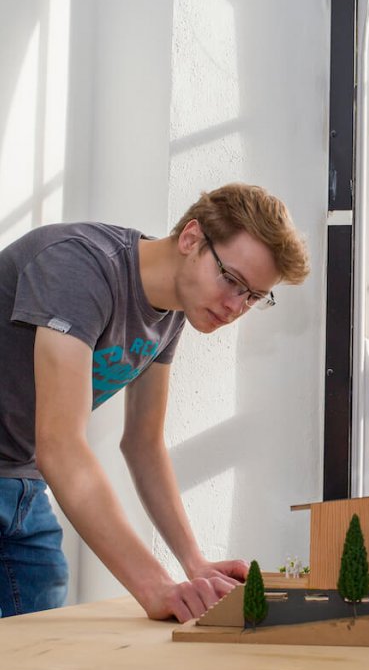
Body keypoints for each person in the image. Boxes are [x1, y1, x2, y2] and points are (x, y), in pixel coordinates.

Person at [0, 183, 310, 621]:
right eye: (232, 280)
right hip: (28, 472)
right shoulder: (79, 267)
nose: (235, 305)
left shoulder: (172, 314)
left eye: (253, 296)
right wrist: (155, 586)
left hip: (21, 488)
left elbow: (143, 444)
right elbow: (61, 447)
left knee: (35, 653)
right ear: (191, 239)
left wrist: (194, 563)